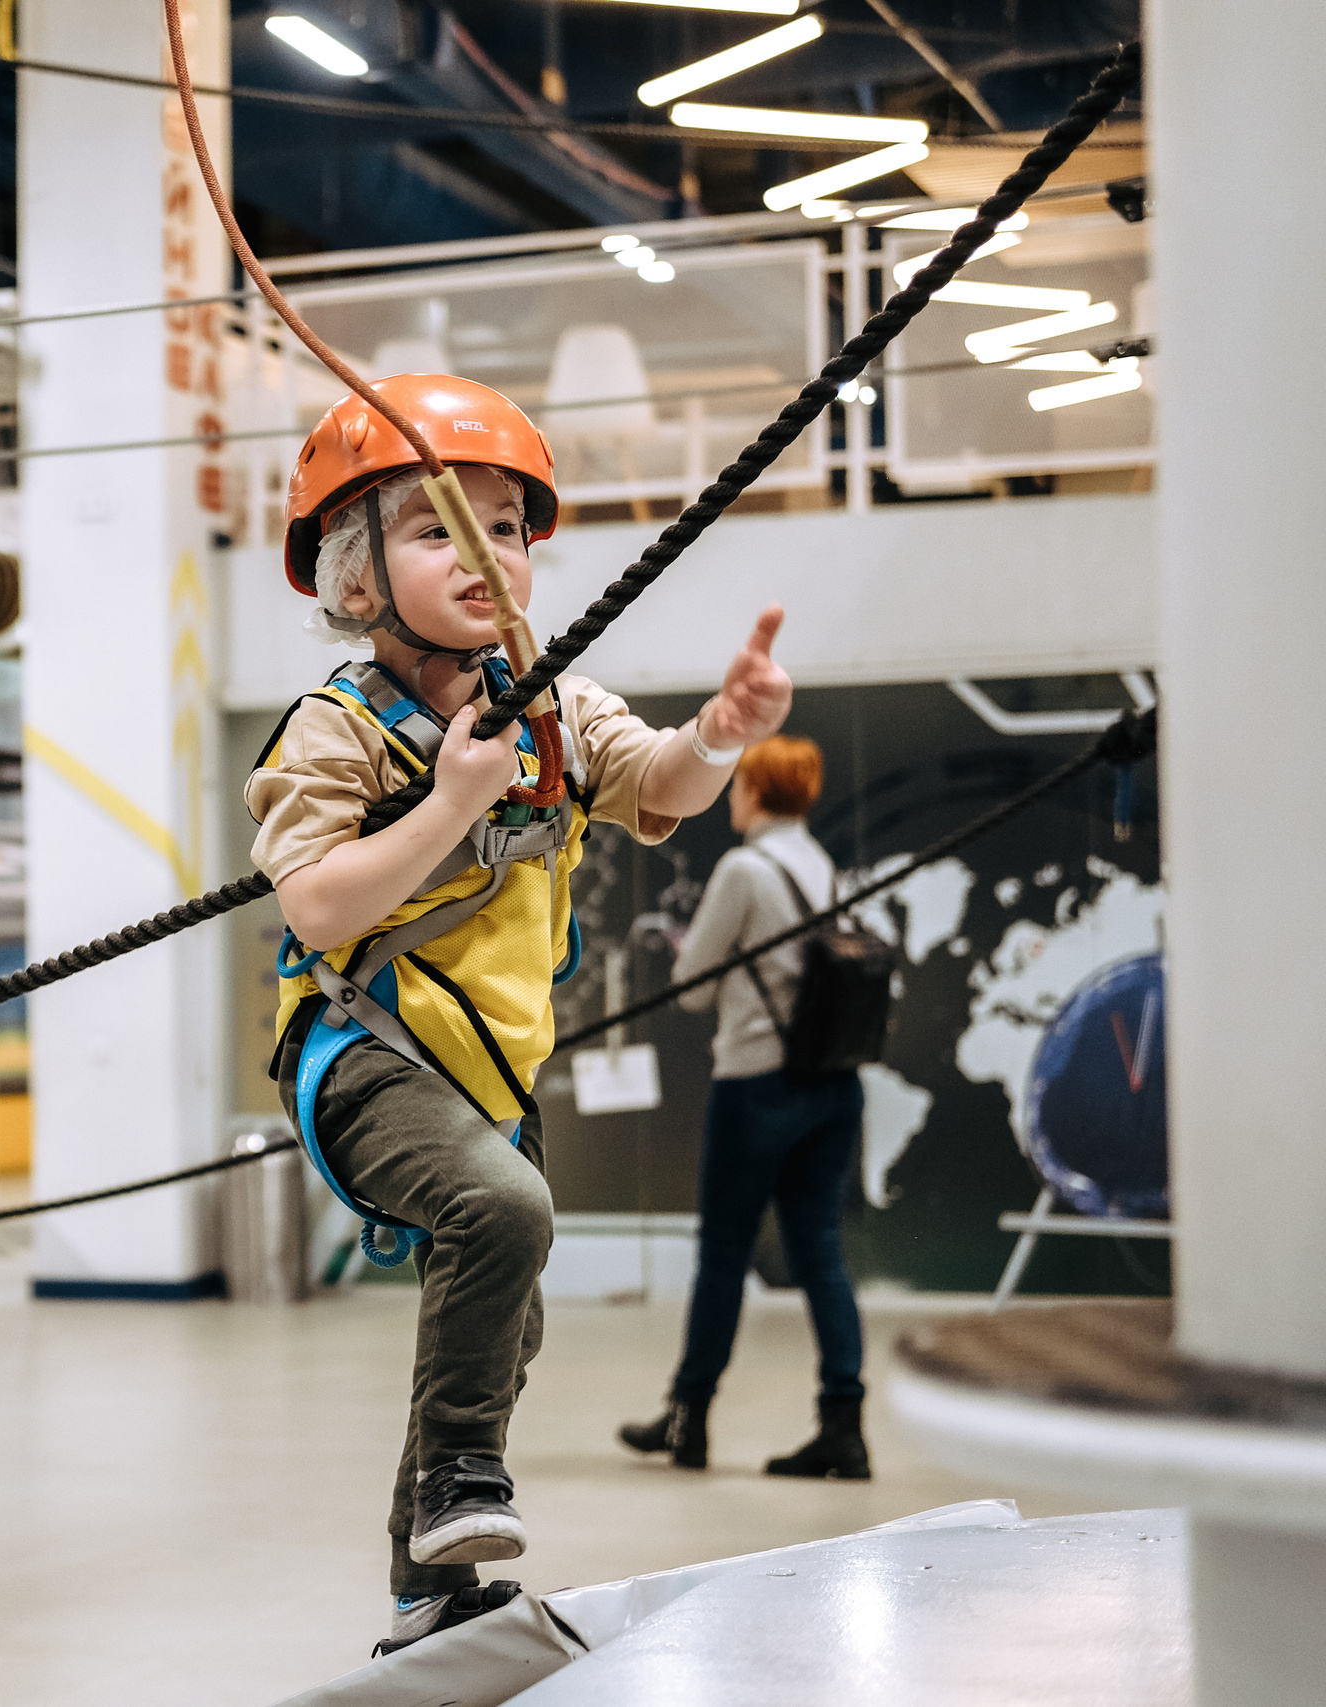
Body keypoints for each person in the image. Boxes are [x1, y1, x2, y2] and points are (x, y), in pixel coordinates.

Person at [248, 376, 792, 1655]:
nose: (484, 554)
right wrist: (450, 803)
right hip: (360, 1049)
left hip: (486, 1074)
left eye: (503, 527)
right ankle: (457, 1484)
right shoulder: (336, 731)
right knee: (503, 1211)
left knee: (506, 1315)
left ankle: (423, 1595)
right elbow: (317, 904)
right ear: (357, 577)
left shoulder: (556, 705)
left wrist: (720, 733)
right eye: (437, 530)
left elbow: (657, 782)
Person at [619, 735, 871, 1480]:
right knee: (821, 1250)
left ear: (756, 792)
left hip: (756, 1085)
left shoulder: (743, 868)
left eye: (736, 786)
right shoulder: (822, 866)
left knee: (724, 1254)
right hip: (832, 1084)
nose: (731, 797)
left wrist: (693, 952)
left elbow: (693, 989)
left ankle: (688, 1419)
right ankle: (844, 1426)